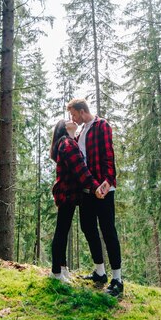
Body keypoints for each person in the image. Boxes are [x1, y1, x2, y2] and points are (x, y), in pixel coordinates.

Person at [67, 98, 123, 298]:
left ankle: (117, 279)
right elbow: (78, 157)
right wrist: (72, 133)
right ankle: (100, 272)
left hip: (104, 189)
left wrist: (107, 183)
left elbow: (109, 156)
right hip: (87, 190)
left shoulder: (102, 126)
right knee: (87, 227)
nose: (73, 118)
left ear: (82, 111)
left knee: (108, 230)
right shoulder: (81, 132)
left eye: (74, 114)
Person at [49, 119, 106, 283]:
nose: (72, 120)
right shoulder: (67, 144)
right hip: (67, 193)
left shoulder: (69, 142)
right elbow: (80, 169)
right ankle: (56, 273)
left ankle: (62, 268)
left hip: (69, 194)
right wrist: (96, 187)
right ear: (64, 128)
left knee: (63, 230)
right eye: (68, 120)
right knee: (61, 231)